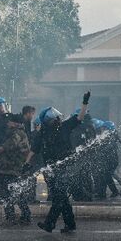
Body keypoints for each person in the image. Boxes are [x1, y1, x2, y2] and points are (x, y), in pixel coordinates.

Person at [32, 90, 90, 233]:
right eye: (54, 117)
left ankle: (49, 224)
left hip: (65, 168)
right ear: (49, 120)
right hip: (50, 170)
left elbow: (79, 118)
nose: (58, 118)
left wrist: (85, 102)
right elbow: (34, 150)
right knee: (62, 197)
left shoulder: (65, 126)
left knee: (59, 197)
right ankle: (70, 224)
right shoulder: (43, 133)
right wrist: (26, 163)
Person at [0, 113, 32, 223]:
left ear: (15, 123)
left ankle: (12, 217)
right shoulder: (19, 133)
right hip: (11, 167)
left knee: (7, 193)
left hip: (12, 168)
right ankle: (24, 215)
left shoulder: (17, 134)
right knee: (15, 192)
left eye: (10, 121)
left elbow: (6, 146)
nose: (8, 123)